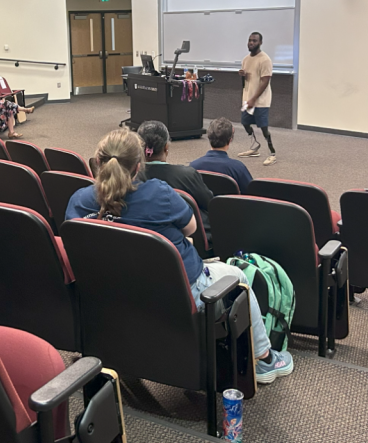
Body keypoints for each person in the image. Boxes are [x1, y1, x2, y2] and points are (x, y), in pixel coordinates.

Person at [66, 128, 293, 384]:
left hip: (114, 293)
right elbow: (192, 229)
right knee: (238, 277)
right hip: (176, 295)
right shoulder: (158, 193)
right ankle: (264, 359)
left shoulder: (79, 201)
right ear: (138, 165)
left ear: (97, 162)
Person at [137, 120, 213, 243]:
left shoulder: (128, 177)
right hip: (192, 240)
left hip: (144, 240)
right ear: (166, 147)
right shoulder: (188, 175)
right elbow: (210, 204)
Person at [238, 32, 276, 166]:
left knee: (263, 127)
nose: (251, 43)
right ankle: (255, 147)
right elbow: (245, 83)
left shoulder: (265, 60)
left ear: (260, 43)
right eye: (249, 40)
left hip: (260, 100)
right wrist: (242, 76)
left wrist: (254, 99)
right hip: (247, 98)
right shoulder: (245, 59)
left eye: (254, 41)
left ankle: (272, 153)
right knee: (245, 123)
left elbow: (265, 82)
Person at [190, 117, 253, 193]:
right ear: (230, 140)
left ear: (209, 137)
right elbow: (252, 193)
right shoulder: (238, 168)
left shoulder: (193, 167)